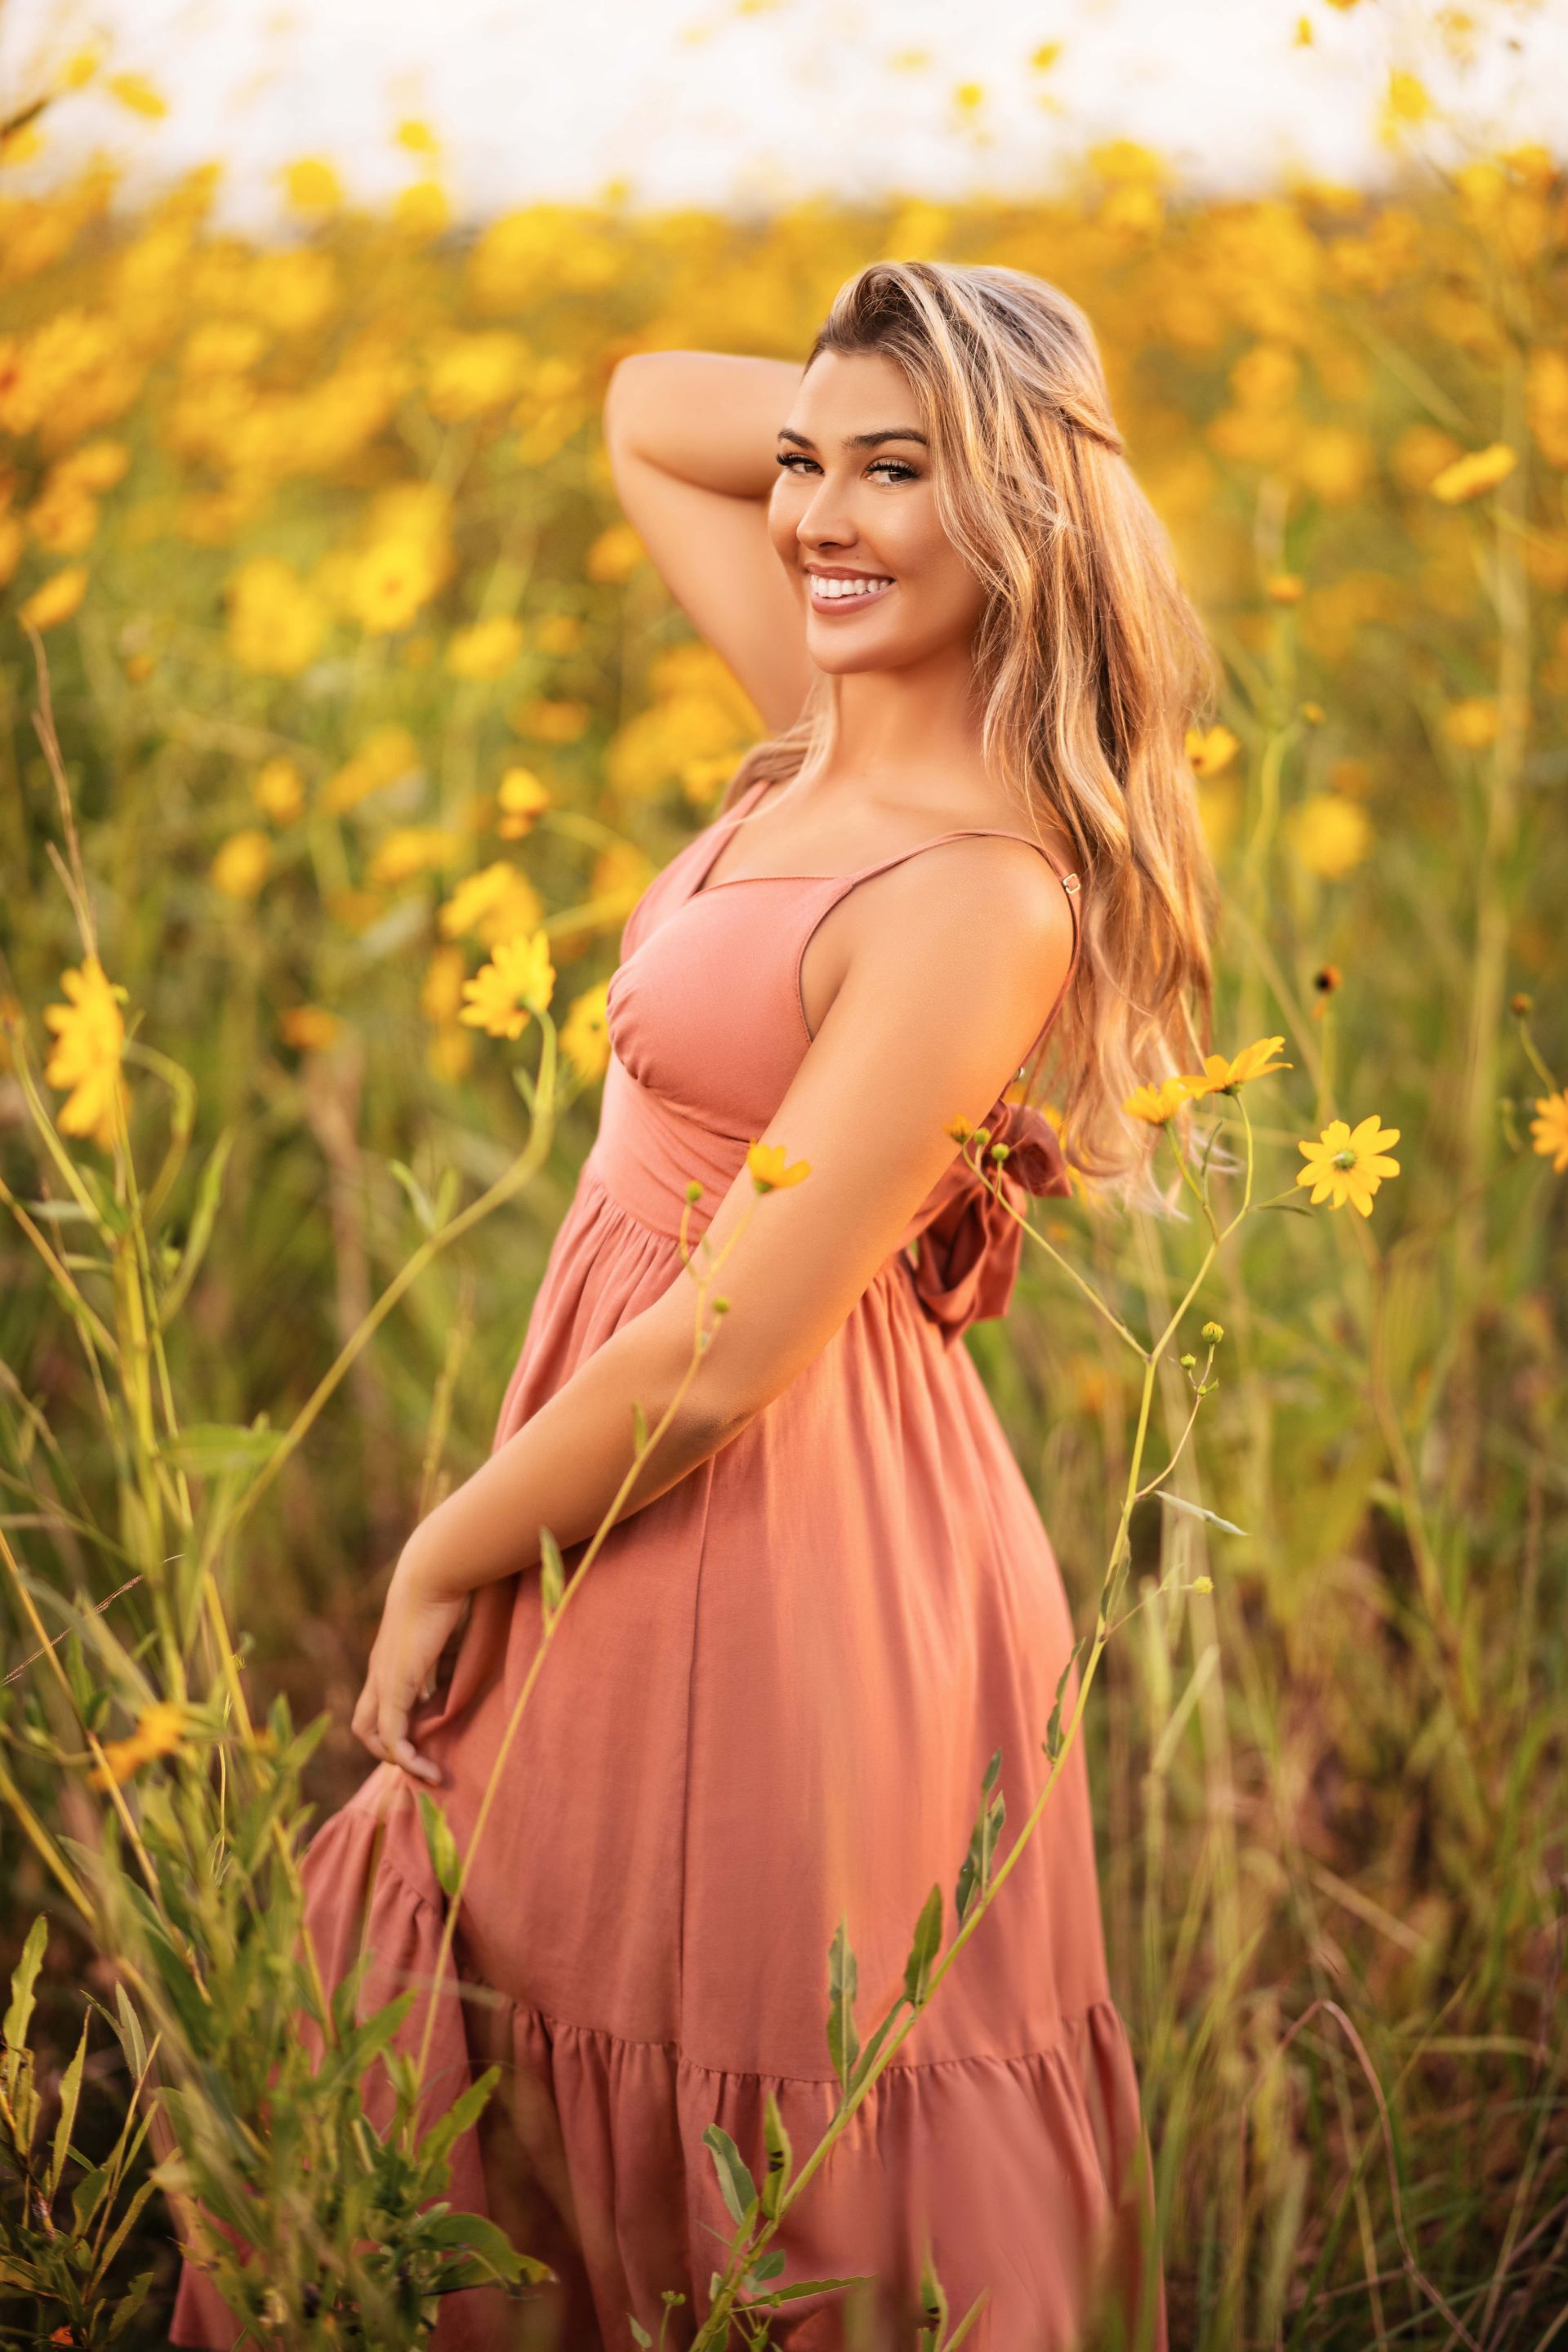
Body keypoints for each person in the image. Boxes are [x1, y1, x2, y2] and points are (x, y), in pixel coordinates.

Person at [172, 259, 1214, 2352]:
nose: (814, 517)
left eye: (894, 474)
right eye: (807, 465)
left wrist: (447, 1547)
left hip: (778, 1526)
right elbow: (651, 405)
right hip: (623, 1472)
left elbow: (730, 1355)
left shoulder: (975, 888)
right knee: (522, 2015)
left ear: (1017, 506)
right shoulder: (825, 726)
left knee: (757, 2119)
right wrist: (887, 436)